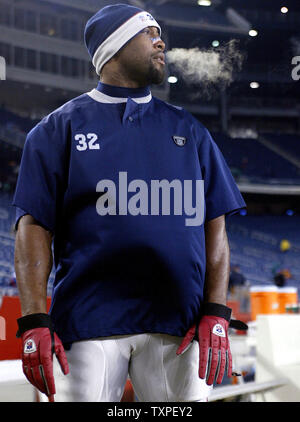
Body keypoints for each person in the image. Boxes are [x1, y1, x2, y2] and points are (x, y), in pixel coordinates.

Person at [13, 4, 246, 402]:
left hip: (180, 320)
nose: (161, 41)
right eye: (148, 32)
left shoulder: (189, 129)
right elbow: (33, 228)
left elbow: (215, 228)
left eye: (160, 32)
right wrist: (35, 318)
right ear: (114, 46)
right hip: (88, 319)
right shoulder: (57, 129)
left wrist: (216, 311)